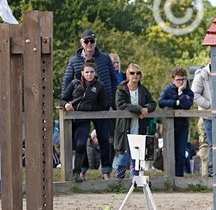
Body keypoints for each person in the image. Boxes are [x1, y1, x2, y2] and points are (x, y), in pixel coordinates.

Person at [61, 30, 120, 179]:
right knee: (81, 141)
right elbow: (67, 82)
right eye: (86, 41)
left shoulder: (105, 59)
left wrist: (111, 102)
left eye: (92, 41)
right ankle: (82, 170)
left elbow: (114, 81)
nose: (89, 44)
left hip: (102, 106)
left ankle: (106, 171)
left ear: (95, 42)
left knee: (104, 139)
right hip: (81, 108)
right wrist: (66, 102)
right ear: (81, 43)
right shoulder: (74, 60)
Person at [61, 59, 107, 182]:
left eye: (91, 72)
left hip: (84, 120)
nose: (89, 74)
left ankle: (77, 172)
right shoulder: (74, 83)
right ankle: (65, 173)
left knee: (81, 145)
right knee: (69, 145)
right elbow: (63, 99)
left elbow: (103, 105)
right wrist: (66, 104)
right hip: (70, 119)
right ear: (82, 73)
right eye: (87, 72)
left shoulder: (99, 86)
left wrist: (88, 108)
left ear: (95, 72)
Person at [112, 62, 157, 178]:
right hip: (124, 127)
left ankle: (135, 179)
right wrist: (139, 109)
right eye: (132, 73)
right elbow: (121, 105)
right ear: (128, 75)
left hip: (139, 126)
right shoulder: (121, 90)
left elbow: (153, 103)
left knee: (137, 155)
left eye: (138, 73)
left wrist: (146, 109)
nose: (135, 75)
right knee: (123, 155)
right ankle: (119, 180)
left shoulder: (143, 90)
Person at [159, 67, 195, 177]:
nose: (181, 82)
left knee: (181, 153)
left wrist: (180, 93)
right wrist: (176, 102)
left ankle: (179, 177)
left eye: (183, 79)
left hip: (183, 126)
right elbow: (161, 102)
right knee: (170, 152)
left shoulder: (189, 91)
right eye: (178, 80)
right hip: (170, 127)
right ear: (173, 80)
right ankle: (170, 178)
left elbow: (187, 105)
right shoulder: (168, 90)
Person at [191, 58, 213, 177]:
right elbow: (194, 94)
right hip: (208, 116)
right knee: (211, 144)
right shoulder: (201, 75)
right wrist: (209, 105)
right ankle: (211, 172)